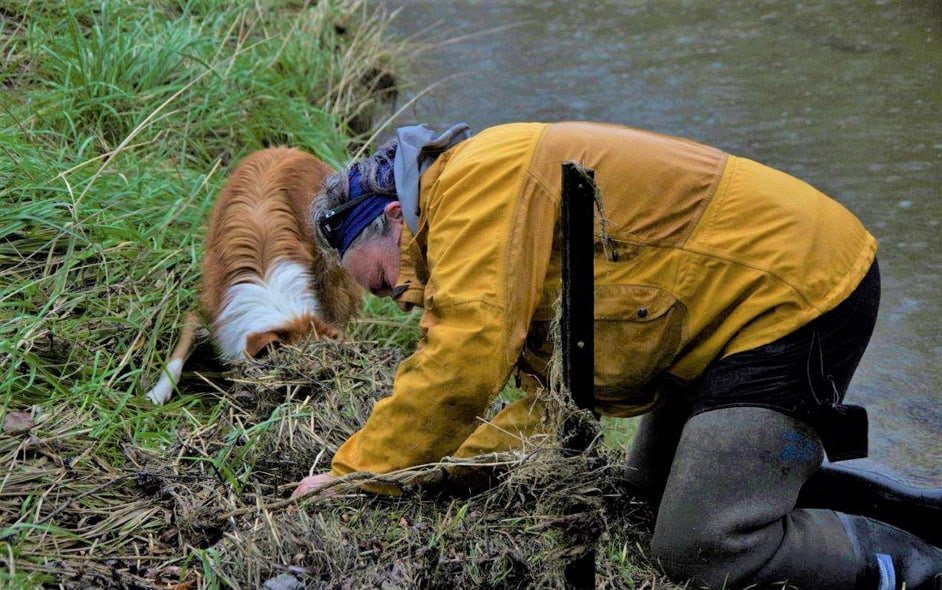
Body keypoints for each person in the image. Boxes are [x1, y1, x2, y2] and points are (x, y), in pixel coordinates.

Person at [300, 121, 942, 589]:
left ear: (393, 216)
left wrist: (363, 472)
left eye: (386, 282)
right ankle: (920, 516)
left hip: (796, 299)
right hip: (723, 323)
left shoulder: (475, 184)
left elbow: (460, 361)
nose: (404, 302)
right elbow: (551, 402)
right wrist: (437, 473)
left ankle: (918, 570)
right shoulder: (481, 217)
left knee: (704, 547)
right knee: (644, 496)